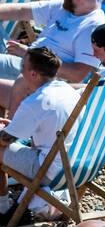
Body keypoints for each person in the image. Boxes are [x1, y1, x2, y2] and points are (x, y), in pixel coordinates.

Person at [0, 0, 105, 113]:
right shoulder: (64, 8)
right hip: (25, 58)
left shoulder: (93, 26)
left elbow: (78, 75)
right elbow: (21, 10)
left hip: (42, 76)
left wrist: (31, 55)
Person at [0, 47, 76, 188]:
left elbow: (3, 141)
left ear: (34, 74)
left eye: (23, 67)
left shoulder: (36, 101)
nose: (20, 70)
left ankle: (2, 205)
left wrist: (4, 130)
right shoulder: (69, 91)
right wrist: (13, 125)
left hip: (48, 172)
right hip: (75, 166)